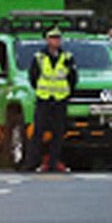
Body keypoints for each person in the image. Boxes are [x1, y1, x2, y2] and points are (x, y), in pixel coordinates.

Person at [27, 27, 78, 172]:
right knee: (38, 133)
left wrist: (67, 94)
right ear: (47, 40)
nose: (56, 41)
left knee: (58, 133)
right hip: (44, 99)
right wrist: (40, 91)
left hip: (60, 100)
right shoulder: (39, 57)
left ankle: (53, 162)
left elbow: (72, 77)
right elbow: (33, 76)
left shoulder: (67, 57)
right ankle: (33, 162)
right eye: (53, 38)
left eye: (58, 38)